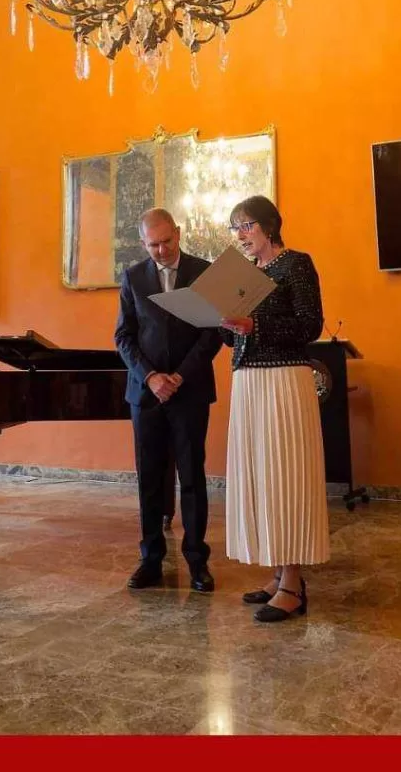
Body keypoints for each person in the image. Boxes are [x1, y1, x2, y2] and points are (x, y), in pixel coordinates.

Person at [219, 195, 330, 623]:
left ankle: (294, 584)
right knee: (260, 477)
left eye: (246, 225)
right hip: (248, 382)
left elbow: (309, 325)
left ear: (269, 225)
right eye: (235, 228)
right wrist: (223, 320)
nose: (241, 235)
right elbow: (234, 338)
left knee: (286, 475)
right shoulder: (245, 274)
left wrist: (254, 324)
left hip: (283, 380)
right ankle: (278, 574)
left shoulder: (296, 264)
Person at [115, 208, 223, 592]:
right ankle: (150, 560)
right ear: (142, 243)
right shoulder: (132, 277)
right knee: (149, 478)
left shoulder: (204, 272)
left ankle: (197, 560)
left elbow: (212, 334)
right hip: (146, 394)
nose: (162, 251)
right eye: (153, 245)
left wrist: (178, 376)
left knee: (191, 476)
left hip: (189, 391)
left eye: (167, 241)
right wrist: (152, 376)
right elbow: (124, 337)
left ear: (178, 233)